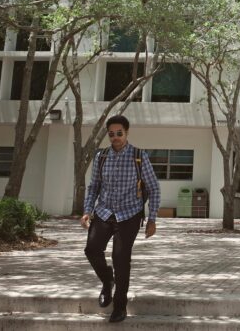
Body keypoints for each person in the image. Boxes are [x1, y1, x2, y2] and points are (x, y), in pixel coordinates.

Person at [82, 115, 161, 323]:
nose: (115, 137)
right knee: (91, 249)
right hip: (104, 212)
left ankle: (119, 306)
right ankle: (108, 281)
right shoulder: (101, 157)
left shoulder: (139, 156)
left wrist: (152, 219)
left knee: (121, 258)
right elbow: (94, 187)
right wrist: (87, 210)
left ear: (126, 133)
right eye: (111, 134)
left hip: (129, 214)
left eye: (119, 133)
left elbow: (153, 188)